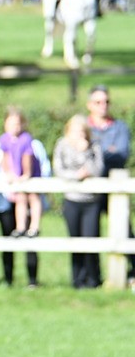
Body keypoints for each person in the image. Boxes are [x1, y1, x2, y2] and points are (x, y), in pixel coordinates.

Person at [0, 136, 50, 288]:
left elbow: (45, 169)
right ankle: (8, 279)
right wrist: (7, 181)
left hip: (29, 196)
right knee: (8, 240)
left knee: (30, 240)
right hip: (5, 201)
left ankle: (32, 280)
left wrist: (27, 183)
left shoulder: (34, 144)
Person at [85, 84, 133, 285]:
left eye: (106, 101)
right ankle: (92, 278)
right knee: (90, 232)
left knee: (125, 231)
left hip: (114, 186)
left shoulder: (120, 127)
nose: (103, 106)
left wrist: (95, 153)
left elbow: (120, 154)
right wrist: (105, 152)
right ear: (90, 105)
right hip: (91, 188)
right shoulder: (84, 126)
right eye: (98, 102)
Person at [54, 115, 105, 289]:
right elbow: (59, 170)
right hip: (72, 199)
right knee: (74, 241)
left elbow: (97, 169)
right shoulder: (62, 145)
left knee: (91, 240)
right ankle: (77, 280)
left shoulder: (94, 145)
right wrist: (76, 176)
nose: (79, 135)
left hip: (91, 200)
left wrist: (85, 152)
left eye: (82, 131)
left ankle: (94, 279)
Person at [0, 107, 41, 237]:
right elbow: (5, 157)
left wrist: (26, 174)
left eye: (16, 124)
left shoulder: (26, 138)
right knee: (20, 199)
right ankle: (21, 227)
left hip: (30, 173)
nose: (13, 127)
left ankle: (34, 226)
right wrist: (8, 173)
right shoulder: (4, 139)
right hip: (16, 174)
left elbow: (27, 157)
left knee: (33, 197)